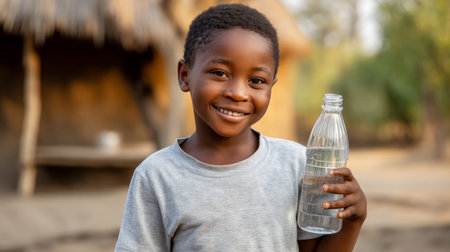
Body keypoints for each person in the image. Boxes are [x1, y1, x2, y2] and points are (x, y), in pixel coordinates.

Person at [115, 3, 366, 252]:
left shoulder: (296, 165)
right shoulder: (157, 176)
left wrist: (353, 222)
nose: (237, 93)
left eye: (256, 81)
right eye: (220, 73)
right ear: (185, 75)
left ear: (271, 86)